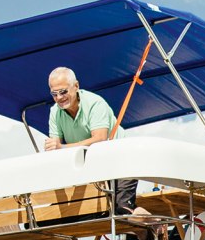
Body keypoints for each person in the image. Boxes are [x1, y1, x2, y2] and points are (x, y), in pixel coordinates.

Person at [42, 67, 137, 214]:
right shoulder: (55, 112)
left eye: (63, 92)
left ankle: (150, 226)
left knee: (121, 210)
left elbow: (100, 139)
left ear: (76, 86)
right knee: (93, 213)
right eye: (54, 94)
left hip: (123, 160)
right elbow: (55, 150)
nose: (59, 97)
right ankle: (153, 225)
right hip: (95, 165)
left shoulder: (95, 103)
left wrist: (61, 147)